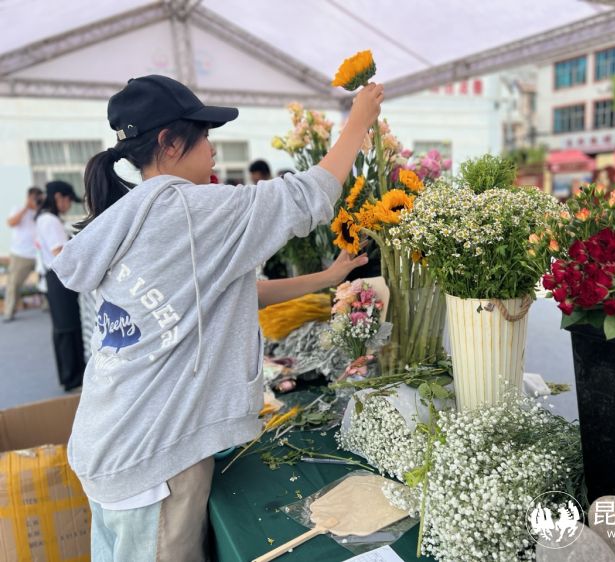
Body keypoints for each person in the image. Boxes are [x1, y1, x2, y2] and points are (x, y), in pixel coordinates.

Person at [52, 74, 382, 560]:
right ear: (169, 142)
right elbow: (305, 197)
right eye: (203, 134)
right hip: (153, 460)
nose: (212, 147)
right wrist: (358, 121)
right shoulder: (188, 210)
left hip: (110, 438)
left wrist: (328, 277)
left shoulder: (130, 216)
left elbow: (236, 293)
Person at [36, 180, 85, 391]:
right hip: (59, 278)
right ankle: (73, 378)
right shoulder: (50, 221)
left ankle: (69, 376)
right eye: (68, 200)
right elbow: (59, 253)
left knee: (63, 329)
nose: (68, 205)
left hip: (52, 278)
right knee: (68, 327)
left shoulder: (43, 218)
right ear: (58, 197)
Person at [4, 186, 43, 321]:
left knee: (46, 280)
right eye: (33, 197)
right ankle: (9, 312)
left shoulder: (41, 211)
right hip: (21, 254)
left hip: (39, 254)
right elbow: (11, 223)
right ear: (28, 197)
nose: (35, 200)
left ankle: (47, 306)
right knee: (14, 284)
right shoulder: (18, 209)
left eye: (38, 198)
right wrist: (26, 208)